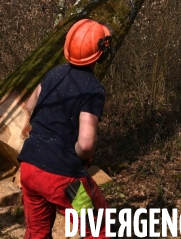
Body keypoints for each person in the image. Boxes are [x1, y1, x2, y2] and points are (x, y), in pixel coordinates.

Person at [18, 18, 112, 239]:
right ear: (101, 52)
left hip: (29, 169)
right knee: (98, 227)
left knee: (37, 231)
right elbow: (86, 143)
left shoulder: (53, 74)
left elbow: (29, 107)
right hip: (64, 180)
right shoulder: (92, 89)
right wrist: (79, 156)